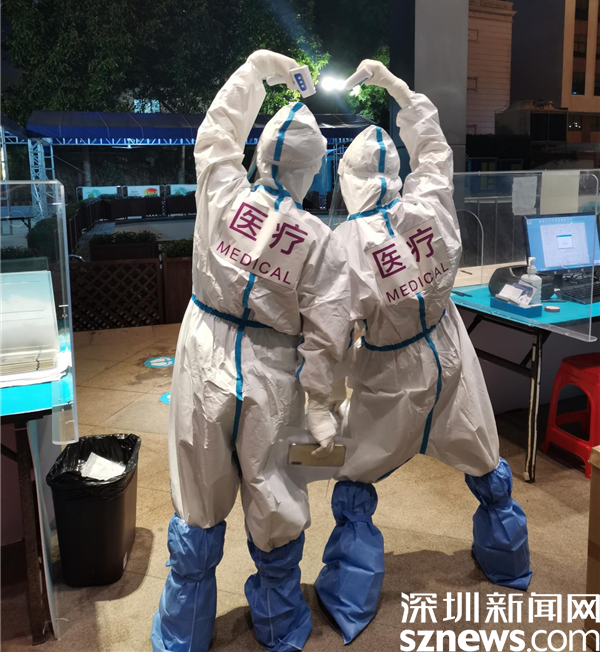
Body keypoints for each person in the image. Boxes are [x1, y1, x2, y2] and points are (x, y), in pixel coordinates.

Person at [314, 60, 532, 644]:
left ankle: (352, 597)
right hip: (449, 352)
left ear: (348, 180)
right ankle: (509, 561)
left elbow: (330, 334)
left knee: (355, 475)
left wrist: (321, 403)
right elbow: (434, 148)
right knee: (482, 455)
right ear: (396, 172)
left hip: (391, 373)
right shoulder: (431, 202)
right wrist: (397, 89)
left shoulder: (346, 242)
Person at [151, 50, 349, 652]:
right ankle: (278, 625)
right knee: (275, 493)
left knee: (198, 491)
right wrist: (322, 404)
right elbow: (328, 331)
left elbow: (216, 133)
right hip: (274, 373)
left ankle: (183, 634)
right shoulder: (319, 240)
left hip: (203, 353)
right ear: (313, 170)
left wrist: (256, 72)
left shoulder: (220, 191)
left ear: (261, 155)